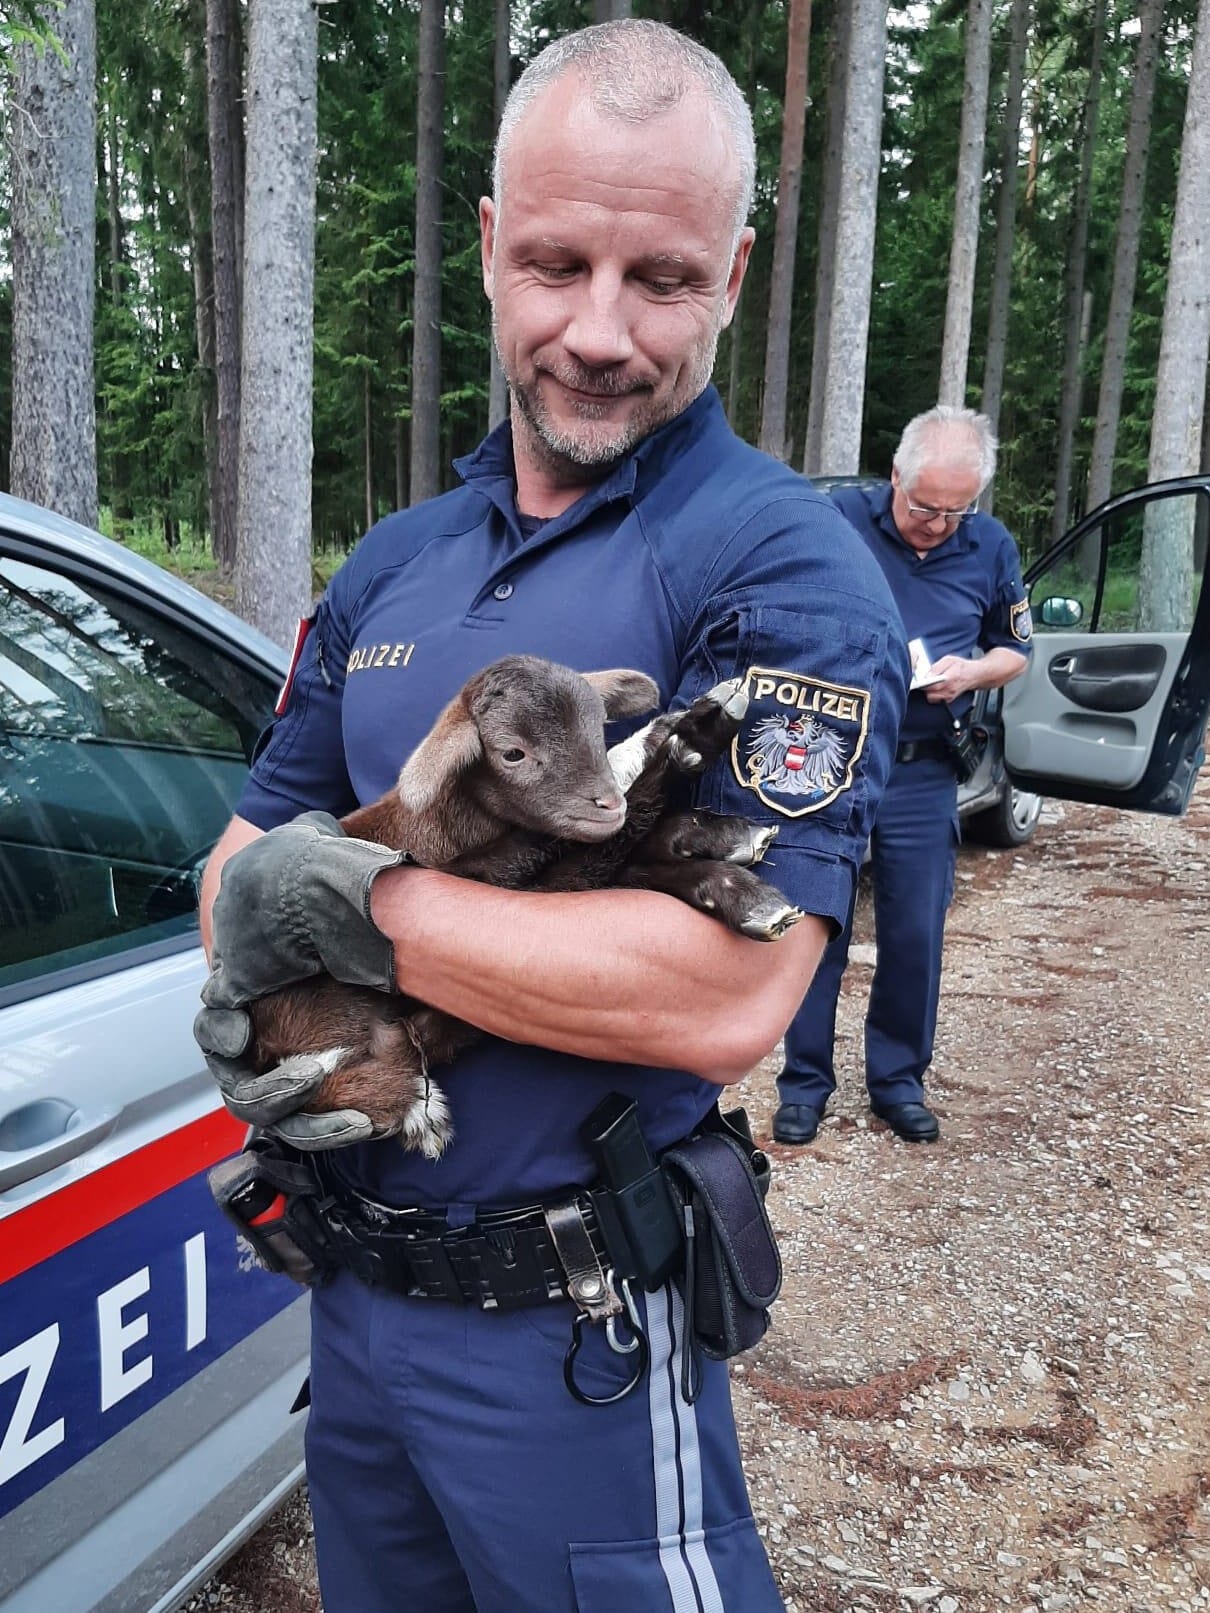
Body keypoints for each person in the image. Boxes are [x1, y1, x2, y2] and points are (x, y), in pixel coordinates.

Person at [195, 21, 908, 1613]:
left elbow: (719, 992)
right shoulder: (393, 563)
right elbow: (244, 857)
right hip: (351, 1303)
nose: (597, 330)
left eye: (657, 278)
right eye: (558, 262)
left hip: (569, 1334)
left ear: (729, 272)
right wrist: (266, 969)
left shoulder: (778, 571)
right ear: (490, 249)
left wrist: (356, 916)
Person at [772, 406, 1033, 1149]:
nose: (938, 523)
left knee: (914, 932)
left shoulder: (990, 545)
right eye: (925, 505)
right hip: (831, 761)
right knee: (816, 923)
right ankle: (804, 1084)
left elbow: (1014, 647)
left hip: (922, 770)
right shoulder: (834, 520)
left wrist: (974, 671)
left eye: (957, 510)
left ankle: (897, 1083)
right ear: (895, 475)